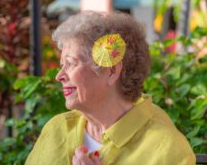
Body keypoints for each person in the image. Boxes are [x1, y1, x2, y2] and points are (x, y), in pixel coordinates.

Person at [25, 11, 195, 165]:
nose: (59, 76)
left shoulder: (167, 149)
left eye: (71, 63)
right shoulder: (57, 129)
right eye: (62, 65)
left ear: (112, 71)